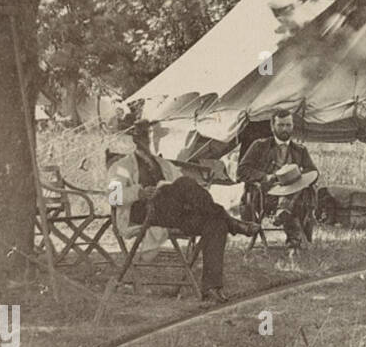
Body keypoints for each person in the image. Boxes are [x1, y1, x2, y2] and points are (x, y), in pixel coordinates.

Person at [108, 119, 258, 305]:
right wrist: (139, 192)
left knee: (215, 223)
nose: (154, 142)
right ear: (138, 140)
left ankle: (211, 287)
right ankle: (233, 223)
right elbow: (113, 197)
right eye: (150, 137)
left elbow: (186, 191)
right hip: (142, 214)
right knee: (185, 183)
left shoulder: (164, 164)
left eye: (157, 137)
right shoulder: (122, 166)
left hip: (171, 215)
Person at [238, 110, 320, 248]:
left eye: (288, 125)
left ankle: (284, 213)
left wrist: (300, 176)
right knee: (293, 197)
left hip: (295, 195)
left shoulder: (300, 150)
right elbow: (241, 171)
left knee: (300, 190)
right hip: (266, 196)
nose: (285, 129)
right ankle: (292, 235)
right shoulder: (259, 146)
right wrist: (265, 177)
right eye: (281, 125)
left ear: (293, 126)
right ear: (272, 126)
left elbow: (313, 172)